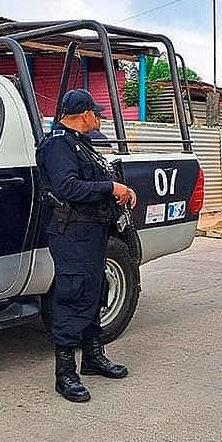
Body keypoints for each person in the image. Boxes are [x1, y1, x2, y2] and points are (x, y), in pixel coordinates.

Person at [36, 89, 137, 403]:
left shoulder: (83, 145)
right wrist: (112, 187)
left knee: (95, 293)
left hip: (93, 230)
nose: (100, 116)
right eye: (96, 112)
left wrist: (117, 192)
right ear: (83, 115)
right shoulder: (57, 146)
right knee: (72, 296)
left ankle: (93, 357)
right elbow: (67, 186)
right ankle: (65, 373)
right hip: (72, 232)